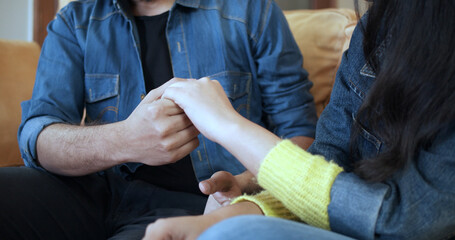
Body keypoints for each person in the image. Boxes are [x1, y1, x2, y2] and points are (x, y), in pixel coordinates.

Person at [0, 0, 317, 239]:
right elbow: (38, 137)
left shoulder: (250, 10)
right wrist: (125, 139)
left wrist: (244, 184)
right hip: (96, 192)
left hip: (198, 205)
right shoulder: (76, 20)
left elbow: (302, 135)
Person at [142, 0, 455, 239]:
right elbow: (327, 162)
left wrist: (229, 127)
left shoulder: (251, 11)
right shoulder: (380, 25)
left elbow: (403, 220)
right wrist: (225, 216)